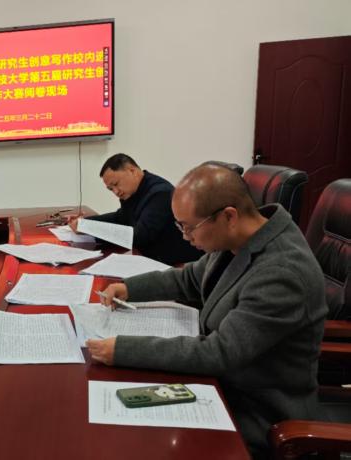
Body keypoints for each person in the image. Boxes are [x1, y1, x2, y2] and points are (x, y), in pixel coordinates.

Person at [86, 163, 327, 456]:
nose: (185, 237)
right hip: (221, 385)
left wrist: (122, 349)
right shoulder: (239, 239)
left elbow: (219, 353)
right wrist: (129, 288)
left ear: (229, 216)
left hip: (256, 411)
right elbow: (188, 278)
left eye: (189, 227)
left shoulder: (281, 273)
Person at [69, 153, 202, 265]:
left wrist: (90, 228)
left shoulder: (160, 193)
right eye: (111, 189)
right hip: (148, 257)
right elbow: (120, 217)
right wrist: (85, 222)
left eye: (116, 184)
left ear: (132, 171)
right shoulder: (131, 192)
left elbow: (140, 236)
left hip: (174, 263)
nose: (116, 192)